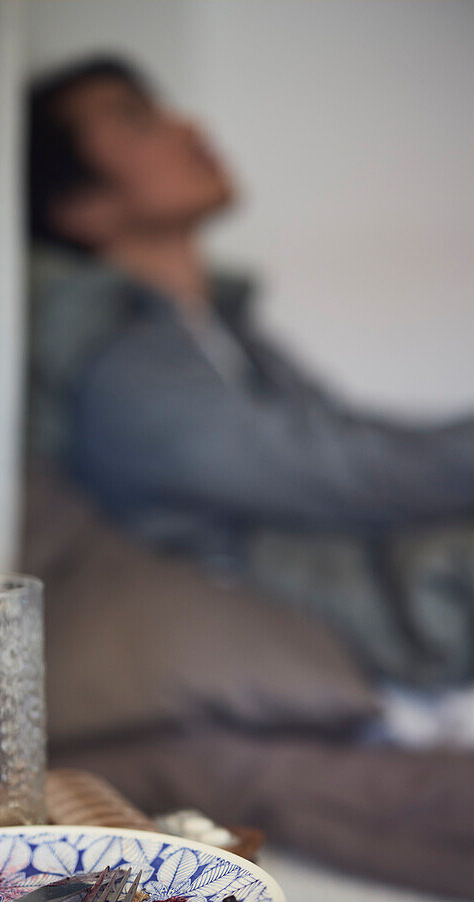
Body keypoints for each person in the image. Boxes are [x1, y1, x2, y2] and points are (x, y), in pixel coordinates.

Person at [26, 56, 474, 684]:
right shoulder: (125, 372)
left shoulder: (223, 330)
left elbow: (343, 435)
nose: (189, 127)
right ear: (82, 209)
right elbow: (330, 469)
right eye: (136, 119)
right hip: (315, 624)